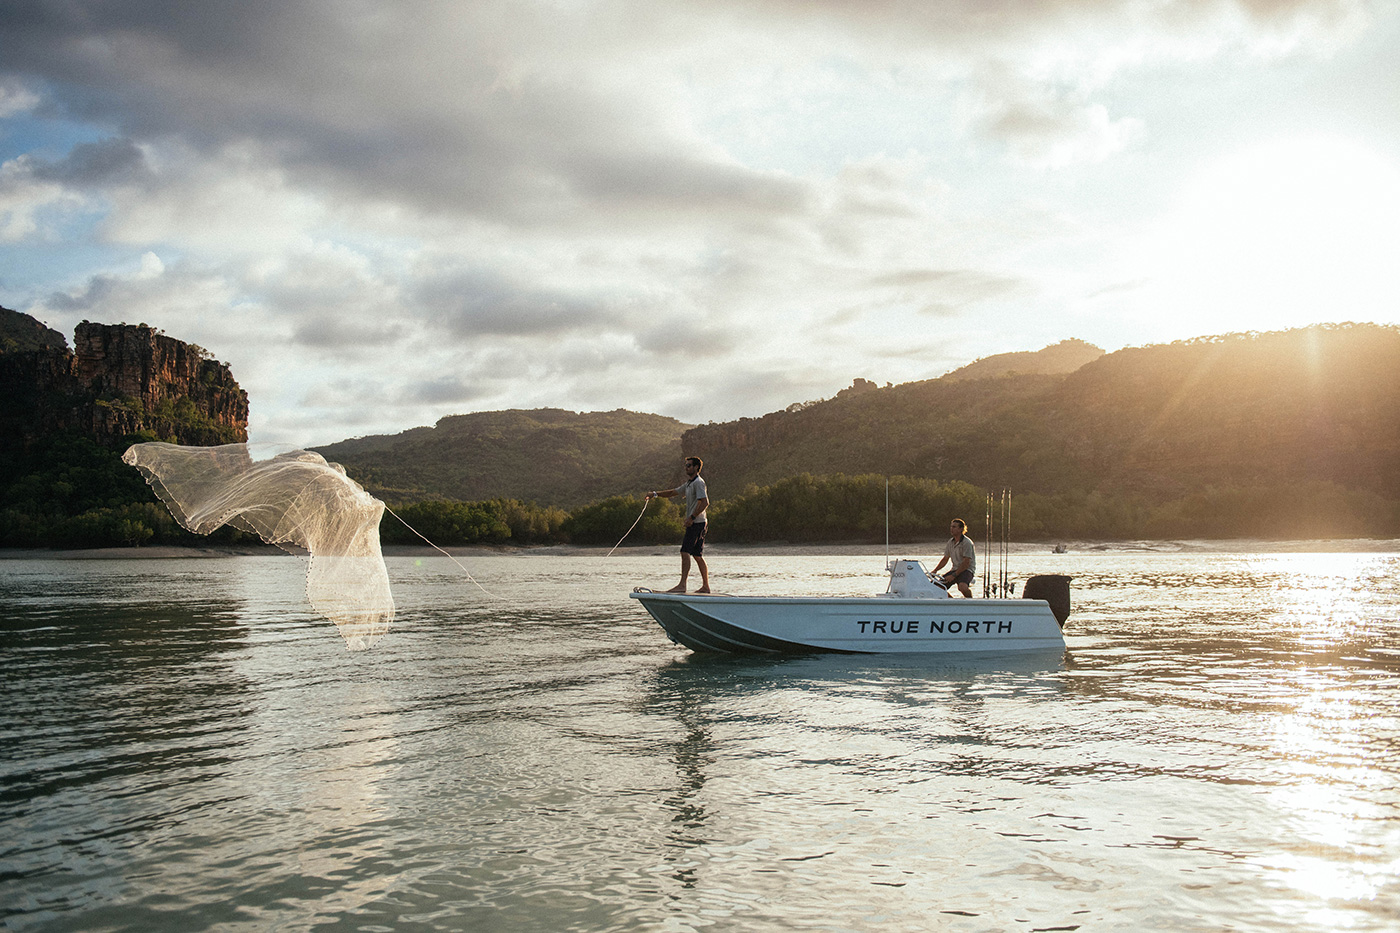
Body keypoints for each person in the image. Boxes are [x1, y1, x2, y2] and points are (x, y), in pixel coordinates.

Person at [645, 457, 709, 594]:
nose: (686, 467)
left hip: (697, 523)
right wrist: (655, 494)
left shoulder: (698, 483)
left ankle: (682, 586)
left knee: (685, 552)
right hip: (698, 523)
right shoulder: (689, 484)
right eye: (686, 465)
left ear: (696, 467)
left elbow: (704, 502)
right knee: (697, 555)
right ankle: (706, 587)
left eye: (689, 465)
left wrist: (691, 517)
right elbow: (672, 492)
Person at [931, 518, 976, 597]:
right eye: (951, 527)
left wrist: (954, 575)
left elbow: (966, 563)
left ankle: (971, 602)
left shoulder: (967, 543)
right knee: (937, 587)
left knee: (962, 587)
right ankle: (952, 602)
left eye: (954, 527)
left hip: (966, 570)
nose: (951, 529)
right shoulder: (950, 542)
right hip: (954, 569)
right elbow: (945, 559)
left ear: (961, 529)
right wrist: (935, 570)